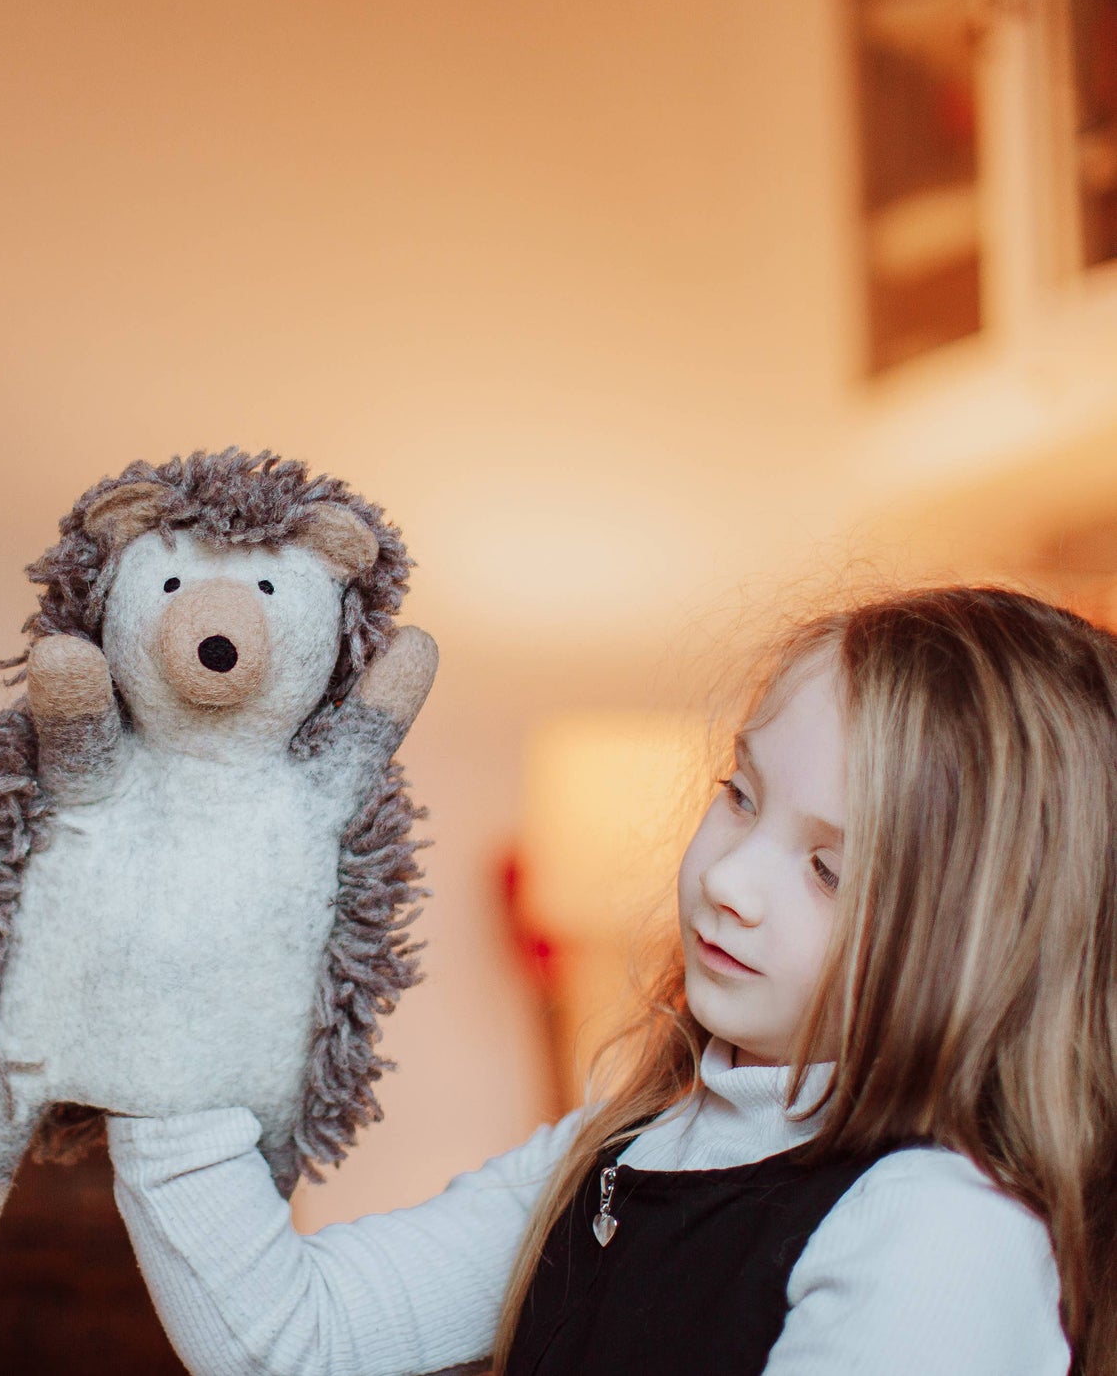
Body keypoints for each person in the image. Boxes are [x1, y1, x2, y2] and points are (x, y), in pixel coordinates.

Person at [107, 585, 1112, 1376]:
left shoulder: (939, 1233)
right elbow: (287, 1333)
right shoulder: (631, 1144)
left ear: (995, 942)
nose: (727, 878)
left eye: (827, 868)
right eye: (738, 794)